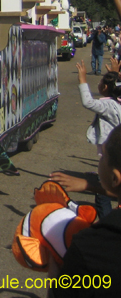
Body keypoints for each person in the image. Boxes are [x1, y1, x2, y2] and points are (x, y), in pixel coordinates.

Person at [49, 123, 121, 297]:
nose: (100, 159)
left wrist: (54, 274)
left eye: (103, 156)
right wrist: (90, 186)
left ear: (115, 178)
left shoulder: (91, 247)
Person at [74, 60, 121, 218]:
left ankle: (106, 221)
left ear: (106, 87)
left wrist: (82, 79)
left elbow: (88, 102)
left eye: (101, 83)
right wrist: (114, 73)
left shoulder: (109, 106)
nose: (99, 85)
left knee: (103, 193)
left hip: (110, 153)